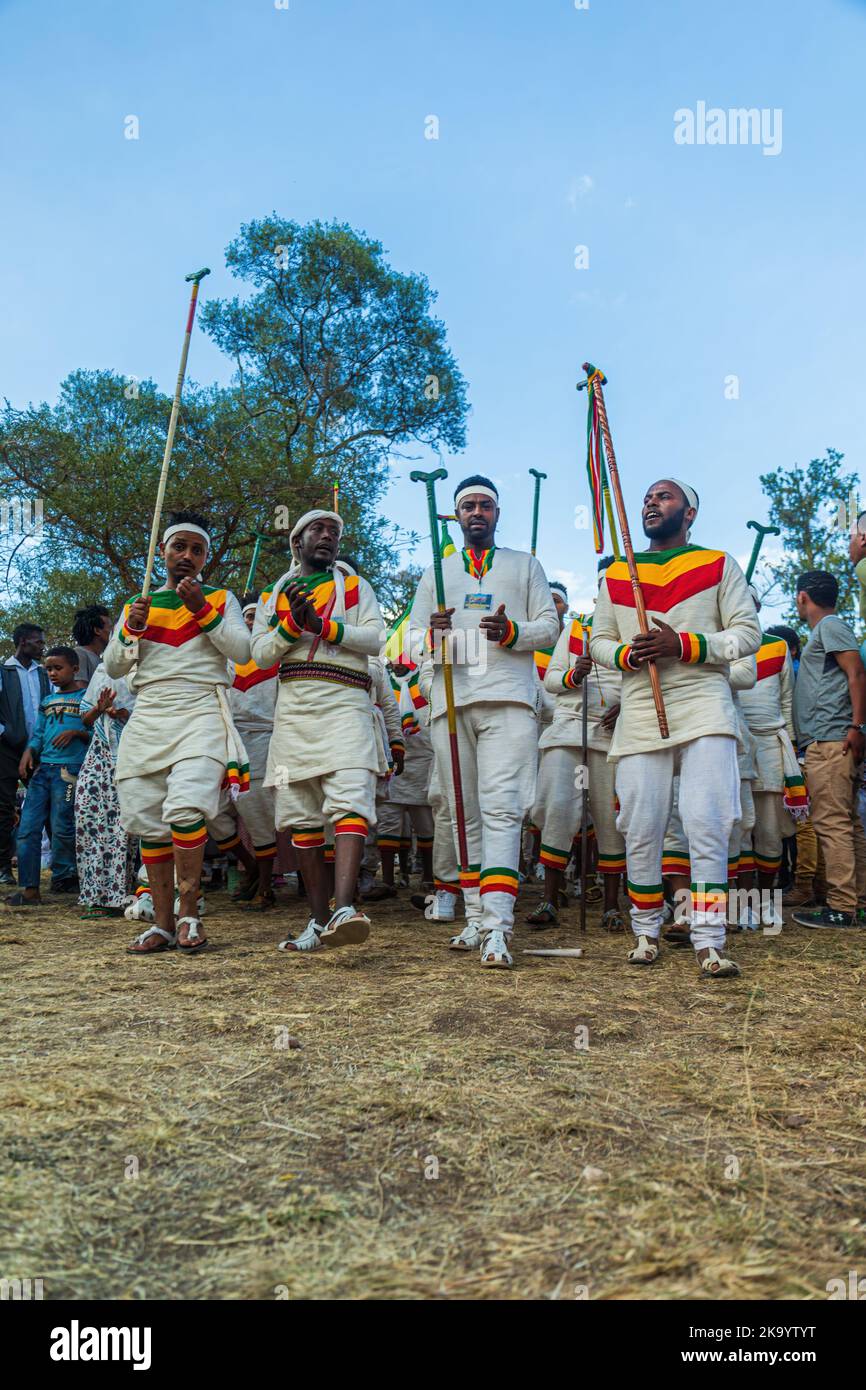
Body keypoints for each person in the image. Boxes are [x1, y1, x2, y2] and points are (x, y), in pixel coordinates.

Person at [590, 478, 761, 978]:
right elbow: (599, 639)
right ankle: (645, 930)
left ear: (689, 514)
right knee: (641, 827)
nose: (650, 502)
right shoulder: (619, 572)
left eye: (664, 497)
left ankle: (709, 940)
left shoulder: (718, 562)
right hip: (642, 708)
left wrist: (684, 645)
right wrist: (626, 653)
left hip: (705, 704)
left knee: (708, 822)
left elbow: (748, 634)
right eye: (646, 497)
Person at [410, 474, 560, 968]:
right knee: (462, 813)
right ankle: (474, 916)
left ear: (497, 514)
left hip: (510, 699)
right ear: (457, 515)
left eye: (485, 506)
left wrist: (513, 631)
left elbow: (550, 627)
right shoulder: (437, 571)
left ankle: (498, 925)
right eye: (468, 506)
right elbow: (407, 645)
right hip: (451, 702)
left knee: (502, 810)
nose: (477, 512)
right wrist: (431, 636)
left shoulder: (525, 564)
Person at [104, 510, 251, 954]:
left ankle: (191, 914)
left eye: (196, 549)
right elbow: (114, 666)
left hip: (201, 711)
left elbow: (243, 651)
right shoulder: (138, 603)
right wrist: (132, 627)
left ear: (205, 556)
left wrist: (202, 611)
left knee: (187, 807)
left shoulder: (221, 599)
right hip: (149, 714)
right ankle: (163, 924)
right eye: (178, 547)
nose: (186, 555)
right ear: (162, 552)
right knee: (148, 817)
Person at [250, 509, 387, 953]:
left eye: (334, 532)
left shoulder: (355, 586)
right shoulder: (275, 593)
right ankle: (318, 920)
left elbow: (375, 639)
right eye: (317, 530)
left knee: (351, 796)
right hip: (293, 712)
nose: (327, 536)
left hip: (346, 704)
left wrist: (322, 627)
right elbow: (261, 655)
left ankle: (344, 908)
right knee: (299, 812)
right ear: (297, 542)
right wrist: (292, 626)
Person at [527, 562, 626, 931]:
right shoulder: (576, 629)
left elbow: (645, 684)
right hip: (567, 732)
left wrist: (629, 707)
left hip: (612, 738)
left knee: (611, 819)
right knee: (557, 813)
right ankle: (550, 899)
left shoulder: (634, 630)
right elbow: (552, 681)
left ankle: (612, 905)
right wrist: (575, 674)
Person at [790, 570, 866, 928]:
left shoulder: (830, 627)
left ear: (803, 597)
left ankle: (841, 906)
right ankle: (857, 902)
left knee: (832, 822)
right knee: (848, 823)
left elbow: (857, 674)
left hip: (832, 739)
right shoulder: (825, 631)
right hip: (832, 738)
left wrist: (856, 726)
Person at [6, 647, 90, 906]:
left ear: (75, 669)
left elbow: (97, 733)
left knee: (63, 826)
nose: (52, 673)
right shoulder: (47, 701)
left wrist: (76, 734)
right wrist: (29, 752)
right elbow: (39, 734)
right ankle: (29, 888)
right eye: (48, 669)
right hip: (44, 771)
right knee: (27, 827)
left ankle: (65, 876)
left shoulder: (86, 698)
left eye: (58, 668)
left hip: (70, 771)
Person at [227, 594, 280, 911]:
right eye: (245, 616)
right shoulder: (226, 658)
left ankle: (267, 885)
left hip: (273, 749)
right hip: (232, 746)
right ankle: (252, 870)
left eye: (254, 616)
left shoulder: (277, 658)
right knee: (219, 813)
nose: (249, 622)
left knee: (282, 810)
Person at [75, 664, 138, 917]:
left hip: (131, 753)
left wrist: (124, 713)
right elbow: (86, 719)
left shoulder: (146, 670)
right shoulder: (103, 670)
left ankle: (120, 895)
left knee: (124, 826)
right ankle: (94, 895)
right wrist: (99, 709)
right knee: (88, 819)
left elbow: (156, 714)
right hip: (98, 756)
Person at [0, 623, 50, 884]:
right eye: (37, 641)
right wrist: (6, 735)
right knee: (4, 808)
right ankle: (3, 868)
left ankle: (63, 870)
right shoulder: (3, 671)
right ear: (21, 641)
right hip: (7, 750)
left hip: (39, 750)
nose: (42, 646)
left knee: (51, 805)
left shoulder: (44, 674)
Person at [72, 605, 112, 686]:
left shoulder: (101, 659)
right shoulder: (79, 654)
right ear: (97, 630)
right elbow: (80, 692)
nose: (113, 632)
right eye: (110, 627)